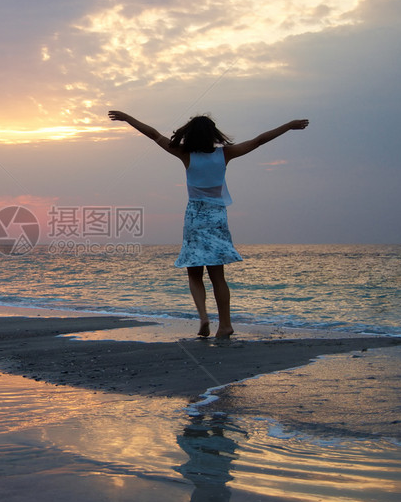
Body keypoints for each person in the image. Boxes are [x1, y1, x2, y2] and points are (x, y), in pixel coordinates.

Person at [108, 110, 309, 339]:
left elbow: (154, 134)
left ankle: (203, 317)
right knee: (217, 276)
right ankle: (225, 325)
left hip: (195, 214)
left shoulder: (185, 154)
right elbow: (259, 140)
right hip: (217, 216)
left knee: (194, 274)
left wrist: (127, 118)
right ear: (213, 134)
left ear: (190, 135)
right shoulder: (225, 154)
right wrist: (289, 125)